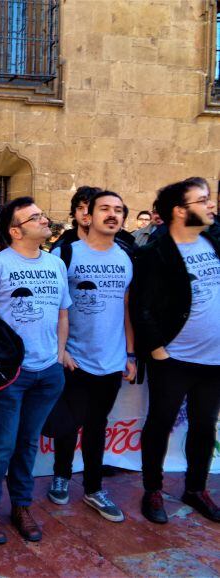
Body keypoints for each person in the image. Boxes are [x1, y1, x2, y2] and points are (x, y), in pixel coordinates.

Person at [0, 196, 70, 545]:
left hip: (48, 373)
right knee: (2, 445)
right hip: (12, 377)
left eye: (42, 214)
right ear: (15, 230)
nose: (44, 220)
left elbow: (62, 313)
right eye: (35, 217)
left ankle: (22, 506)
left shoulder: (56, 265)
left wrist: (59, 355)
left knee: (28, 444)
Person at [130, 179, 220, 524]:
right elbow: (142, 305)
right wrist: (156, 350)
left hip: (215, 360)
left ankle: (195, 488)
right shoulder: (156, 253)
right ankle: (153, 489)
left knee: (204, 426)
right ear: (180, 211)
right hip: (175, 360)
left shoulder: (215, 239)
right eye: (202, 200)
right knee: (160, 424)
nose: (210, 205)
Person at [47, 191, 136, 522]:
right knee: (68, 424)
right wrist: (62, 350)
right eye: (105, 209)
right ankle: (61, 476)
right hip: (75, 359)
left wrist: (130, 353)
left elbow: (127, 308)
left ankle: (94, 489)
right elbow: (52, 309)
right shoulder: (66, 253)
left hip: (112, 361)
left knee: (98, 425)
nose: (112, 215)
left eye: (118, 210)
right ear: (89, 215)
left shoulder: (127, 256)